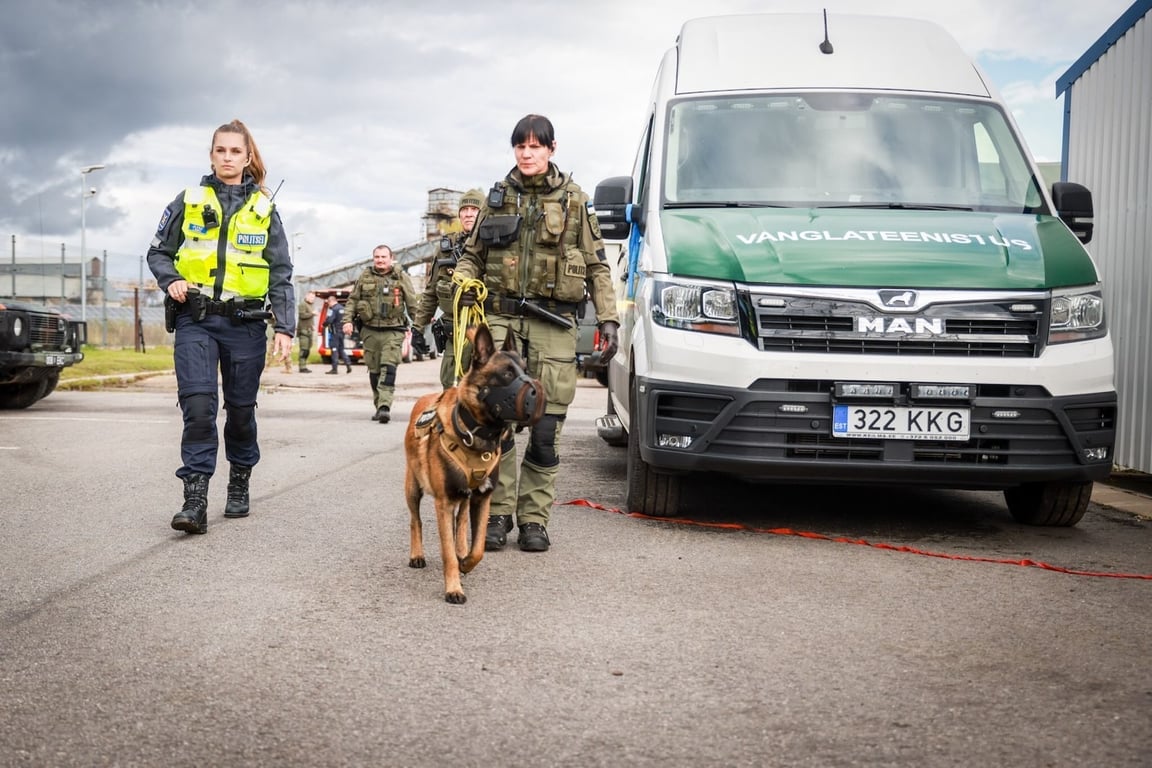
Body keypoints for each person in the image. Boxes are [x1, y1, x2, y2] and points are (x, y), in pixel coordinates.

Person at [453, 114, 619, 552]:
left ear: (551, 149)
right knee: (496, 428)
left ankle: (534, 520)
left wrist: (609, 318)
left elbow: (599, 266)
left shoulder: (575, 201)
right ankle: (499, 514)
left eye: (535, 146)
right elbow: (472, 256)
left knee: (545, 430)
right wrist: (462, 284)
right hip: (502, 321)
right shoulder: (497, 197)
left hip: (554, 326)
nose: (526, 153)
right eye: (520, 146)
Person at [146, 118, 296, 535]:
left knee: (241, 412)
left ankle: (240, 479)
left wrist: (284, 327)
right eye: (220, 150)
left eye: (235, 151)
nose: (227, 157)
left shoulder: (265, 210)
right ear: (211, 155)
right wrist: (171, 279)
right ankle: (194, 499)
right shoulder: (188, 200)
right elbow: (158, 252)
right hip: (197, 319)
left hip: (246, 325)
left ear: (248, 158)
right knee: (197, 407)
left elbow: (282, 272)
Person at [413, 188, 483, 389]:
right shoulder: (446, 248)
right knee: (451, 388)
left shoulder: (495, 246)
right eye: (465, 209)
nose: (468, 213)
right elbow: (431, 291)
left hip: (484, 332)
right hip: (454, 332)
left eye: (474, 209)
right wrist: (418, 327)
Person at [342, 245, 417, 423]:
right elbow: (353, 300)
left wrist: (420, 323)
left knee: (388, 367)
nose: (380, 260)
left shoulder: (401, 277)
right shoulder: (364, 277)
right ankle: (379, 405)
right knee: (374, 370)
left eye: (384, 257)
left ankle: (385, 406)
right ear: (373, 258)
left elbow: (412, 302)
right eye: (377, 257)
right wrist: (347, 320)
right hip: (370, 331)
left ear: (391, 258)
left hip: (393, 330)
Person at [324, 294, 352, 374]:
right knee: (341, 349)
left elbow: (330, 320)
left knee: (334, 349)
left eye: (329, 303)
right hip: (341, 332)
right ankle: (348, 364)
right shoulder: (342, 308)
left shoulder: (333, 309)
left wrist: (324, 325)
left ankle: (334, 369)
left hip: (335, 332)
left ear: (331, 301)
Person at [296, 290, 316, 372]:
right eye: (311, 297)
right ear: (307, 296)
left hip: (309, 330)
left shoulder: (310, 305)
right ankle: (302, 367)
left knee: (308, 349)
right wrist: (312, 314)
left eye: (313, 298)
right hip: (303, 330)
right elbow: (302, 315)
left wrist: (313, 325)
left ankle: (304, 365)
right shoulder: (302, 304)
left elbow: (310, 319)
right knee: (303, 350)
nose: (312, 299)